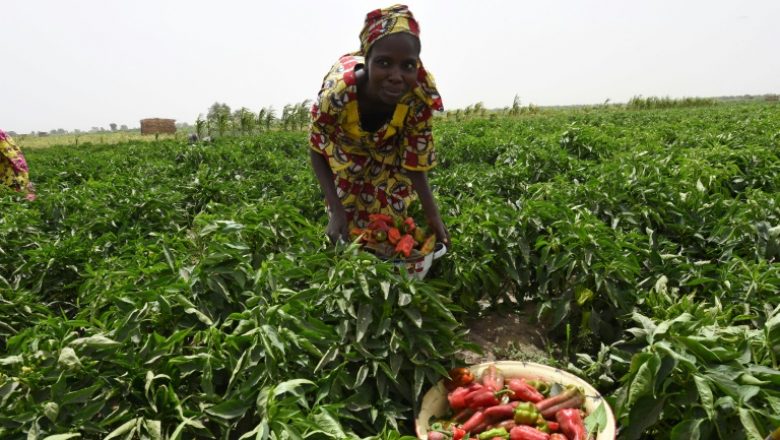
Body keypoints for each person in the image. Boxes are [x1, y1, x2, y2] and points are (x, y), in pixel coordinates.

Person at [309, 4, 449, 246]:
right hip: (347, 149)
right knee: (346, 222)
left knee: (390, 220)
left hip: (388, 150)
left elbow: (415, 161)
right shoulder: (338, 95)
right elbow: (316, 147)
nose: (396, 75)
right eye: (384, 63)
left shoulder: (417, 97)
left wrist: (433, 216)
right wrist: (336, 209)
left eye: (407, 65)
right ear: (367, 59)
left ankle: (389, 257)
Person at [0, 129, 36, 201]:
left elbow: (10, 155)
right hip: (12, 171)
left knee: (16, 196)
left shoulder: (2, 138)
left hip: (11, 174)